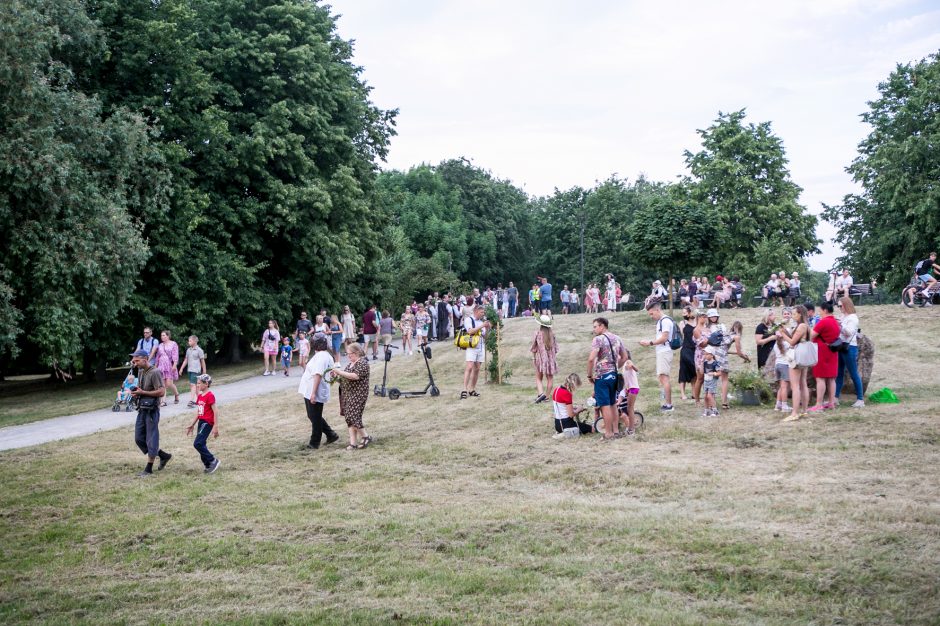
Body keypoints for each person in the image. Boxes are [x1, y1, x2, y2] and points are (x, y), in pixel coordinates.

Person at [128, 348, 171, 476]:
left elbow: (162, 392)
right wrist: (137, 393)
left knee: (151, 439)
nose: (134, 363)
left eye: (136, 360)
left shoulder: (155, 372)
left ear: (145, 359)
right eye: (133, 361)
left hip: (152, 410)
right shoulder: (141, 371)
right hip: (142, 409)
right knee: (139, 438)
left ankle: (148, 469)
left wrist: (143, 392)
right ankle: (163, 455)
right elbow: (142, 389)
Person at [587, 317, 628, 439]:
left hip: (601, 376)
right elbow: (624, 356)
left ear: (602, 326)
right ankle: (615, 431)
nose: (594, 329)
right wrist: (615, 366)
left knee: (605, 405)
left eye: (595, 326)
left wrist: (589, 375)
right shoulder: (617, 338)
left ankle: (608, 433)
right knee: (612, 404)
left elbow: (591, 359)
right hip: (614, 375)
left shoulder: (598, 340)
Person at [298, 336, 339, 449]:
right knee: (313, 415)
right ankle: (331, 434)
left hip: (315, 390)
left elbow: (318, 374)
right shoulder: (322, 355)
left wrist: (313, 393)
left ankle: (314, 442)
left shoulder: (322, 356)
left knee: (315, 417)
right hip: (310, 389)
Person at [331, 343, 373, 450]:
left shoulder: (362, 363)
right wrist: (336, 376)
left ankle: (366, 436)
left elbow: (355, 376)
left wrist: (340, 372)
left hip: (358, 394)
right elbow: (344, 379)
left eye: (350, 354)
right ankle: (353, 443)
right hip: (348, 394)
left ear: (357, 352)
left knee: (353, 417)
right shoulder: (350, 364)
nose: (348, 356)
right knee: (348, 417)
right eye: (347, 354)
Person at [639, 301, 675, 412]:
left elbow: (664, 338)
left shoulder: (665, 321)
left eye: (651, 313)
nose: (651, 316)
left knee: (663, 378)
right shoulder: (662, 321)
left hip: (664, 351)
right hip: (662, 351)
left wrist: (650, 343)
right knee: (662, 377)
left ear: (657, 310)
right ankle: (666, 402)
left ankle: (668, 405)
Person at [777, 305, 811, 422]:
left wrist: (782, 334)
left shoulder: (801, 325)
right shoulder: (805, 325)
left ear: (800, 314)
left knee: (795, 385)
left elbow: (792, 342)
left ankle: (794, 413)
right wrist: (785, 331)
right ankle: (805, 411)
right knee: (802, 383)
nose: (792, 315)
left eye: (794, 314)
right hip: (803, 356)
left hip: (797, 357)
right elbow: (795, 338)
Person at [184, 374, 221, 474]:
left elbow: (216, 411)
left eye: (199, 383)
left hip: (207, 422)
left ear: (206, 384)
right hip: (201, 422)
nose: (197, 385)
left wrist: (215, 426)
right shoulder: (200, 396)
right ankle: (208, 464)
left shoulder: (210, 396)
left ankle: (213, 460)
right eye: (197, 383)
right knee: (201, 443)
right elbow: (199, 412)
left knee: (198, 443)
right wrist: (192, 424)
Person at [834, 297, 865, 408]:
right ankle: (835, 398)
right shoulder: (843, 316)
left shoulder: (853, 318)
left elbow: (849, 332)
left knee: (853, 373)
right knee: (839, 373)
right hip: (841, 346)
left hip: (849, 347)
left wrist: (840, 325)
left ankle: (860, 399)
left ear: (846, 305)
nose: (839, 308)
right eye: (838, 306)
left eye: (840, 306)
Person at [809, 301, 840, 412]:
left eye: (820, 311)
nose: (820, 313)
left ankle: (819, 404)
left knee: (820, 378)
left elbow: (811, 336)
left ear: (825, 310)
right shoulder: (836, 322)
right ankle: (831, 403)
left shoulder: (823, 322)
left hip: (822, 351)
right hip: (833, 352)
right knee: (831, 379)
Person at [461, 305, 492, 399]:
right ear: (476, 311)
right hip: (471, 346)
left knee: (477, 368)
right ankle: (464, 389)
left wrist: (486, 329)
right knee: (469, 366)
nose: (483, 314)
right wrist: (482, 325)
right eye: (481, 312)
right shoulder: (469, 320)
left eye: (483, 312)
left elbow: (486, 337)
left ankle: (472, 389)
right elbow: (470, 331)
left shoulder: (481, 322)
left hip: (480, 347)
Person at [530, 314, 558, 404]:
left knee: (538, 378)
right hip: (551, 360)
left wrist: (533, 358)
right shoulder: (552, 334)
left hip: (541, 359)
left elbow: (534, 348)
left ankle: (541, 394)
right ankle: (546, 397)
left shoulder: (537, 333)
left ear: (540, 324)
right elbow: (556, 349)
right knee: (550, 378)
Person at [551, 373, 587, 440]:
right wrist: (579, 409)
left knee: (582, 425)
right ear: (574, 384)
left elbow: (562, 407)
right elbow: (571, 414)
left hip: (557, 424)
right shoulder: (567, 393)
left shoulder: (557, 389)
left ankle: (561, 433)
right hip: (566, 424)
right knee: (592, 429)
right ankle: (564, 433)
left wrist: (574, 408)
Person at [177, 335, 207, 407]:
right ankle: (201, 400)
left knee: (192, 385)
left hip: (196, 370)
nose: (188, 342)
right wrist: (181, 368)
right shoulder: (188, 350)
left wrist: (204, 371)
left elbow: (202, 361)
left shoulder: (199, 350)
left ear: (194, 341)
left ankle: (191, 401)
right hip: (190, 370)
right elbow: (186, 360)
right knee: (196, 387)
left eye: (190, 341)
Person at [152, 330, 180, 405]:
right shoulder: (160, 345)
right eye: (161, 335)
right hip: (161, 365)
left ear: (168, 336)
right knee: (163, 384)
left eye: (164, 335)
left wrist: (175, 364)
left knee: (169, 383)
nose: (162, 337)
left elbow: (175, 355)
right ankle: (163, 401)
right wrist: (155, 366)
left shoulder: (173, 344)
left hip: (169, 365)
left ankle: (176, 394)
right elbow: (157, 356)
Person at [617, 351, 641, 435]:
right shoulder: (623, 366)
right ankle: (631, 427)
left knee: (630, 408)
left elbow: (635, 368)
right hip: (629, 388)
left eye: (619, 356)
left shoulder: (628, 362)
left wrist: (631, 366)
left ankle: (631, 429)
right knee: (629, 408)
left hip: (633, 388)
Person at [678, 306, 697, 401]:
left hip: (695, 349)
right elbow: (682, 335)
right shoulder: (683, 323)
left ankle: (694, 393)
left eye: (685, 312)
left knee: (694, 371)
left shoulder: (697, 323)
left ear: (690, 313)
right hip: (685, 349)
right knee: (683, 371)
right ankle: (682, 394)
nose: (683, 314)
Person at [692, 311, 708, 406]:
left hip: (709, 353)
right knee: (700, 378)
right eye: (702, 316)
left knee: (709, 376)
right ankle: (697, 399)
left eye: (705, 316)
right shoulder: (696, 330)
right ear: (698, 317)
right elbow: (701, 343)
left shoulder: (708, 328)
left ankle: (708, 397)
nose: (704, 318)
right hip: (700, 355)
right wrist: (710, 340)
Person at [772, 331, 791, 413]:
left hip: (777, 365)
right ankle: (784, 406)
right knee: (785, 387)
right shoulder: (787, 344)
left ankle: (778, 404)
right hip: (785, 365)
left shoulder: (775, 345)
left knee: (781, 386)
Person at [702, 347, 720, 417]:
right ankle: (707, 410)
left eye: (707, 354)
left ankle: (715, 410)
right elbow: (701, 372)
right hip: (706, 380)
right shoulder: (705, 363)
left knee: (710, 396)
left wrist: (713, 373)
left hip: (712, 381)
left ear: (712, 355)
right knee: (705, 396)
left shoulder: (715, 363)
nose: (705, 356)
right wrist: (701, 362)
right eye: (705, 354)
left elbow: (719, 373)